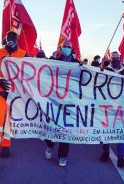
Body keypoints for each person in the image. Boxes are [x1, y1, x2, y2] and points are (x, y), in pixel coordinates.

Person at [0, 31, 28, 170]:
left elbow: (31, 72)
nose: (11, 41)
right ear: (5, 39)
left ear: (17, 40)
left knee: (9, 121)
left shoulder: (24, 54)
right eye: (9, 38)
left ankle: (6, 145)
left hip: (15, 95)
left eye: (13, 38)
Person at [45, 39, 81, 167]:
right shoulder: (54, 60)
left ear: (72, 49)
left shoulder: (77, 63)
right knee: (50, 125)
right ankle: (49, 145)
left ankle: (63, 155)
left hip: (69, 101)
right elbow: (45, 72)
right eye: (64, 46)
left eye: (68, 47)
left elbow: (84, 78)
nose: (66, 48)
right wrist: (52, 58)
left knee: (66, 128)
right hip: (53, 99)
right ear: (61, 48)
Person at [100, 51, 124, 168]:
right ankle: (106, 152)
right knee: (105, 130)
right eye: (113, 58)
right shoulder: (106, 70)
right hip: (107, 105)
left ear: (120, 58)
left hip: (121, 106)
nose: (115, 60)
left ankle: (121, 157)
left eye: (117, 58)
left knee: (121, 132)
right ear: (110, 59)